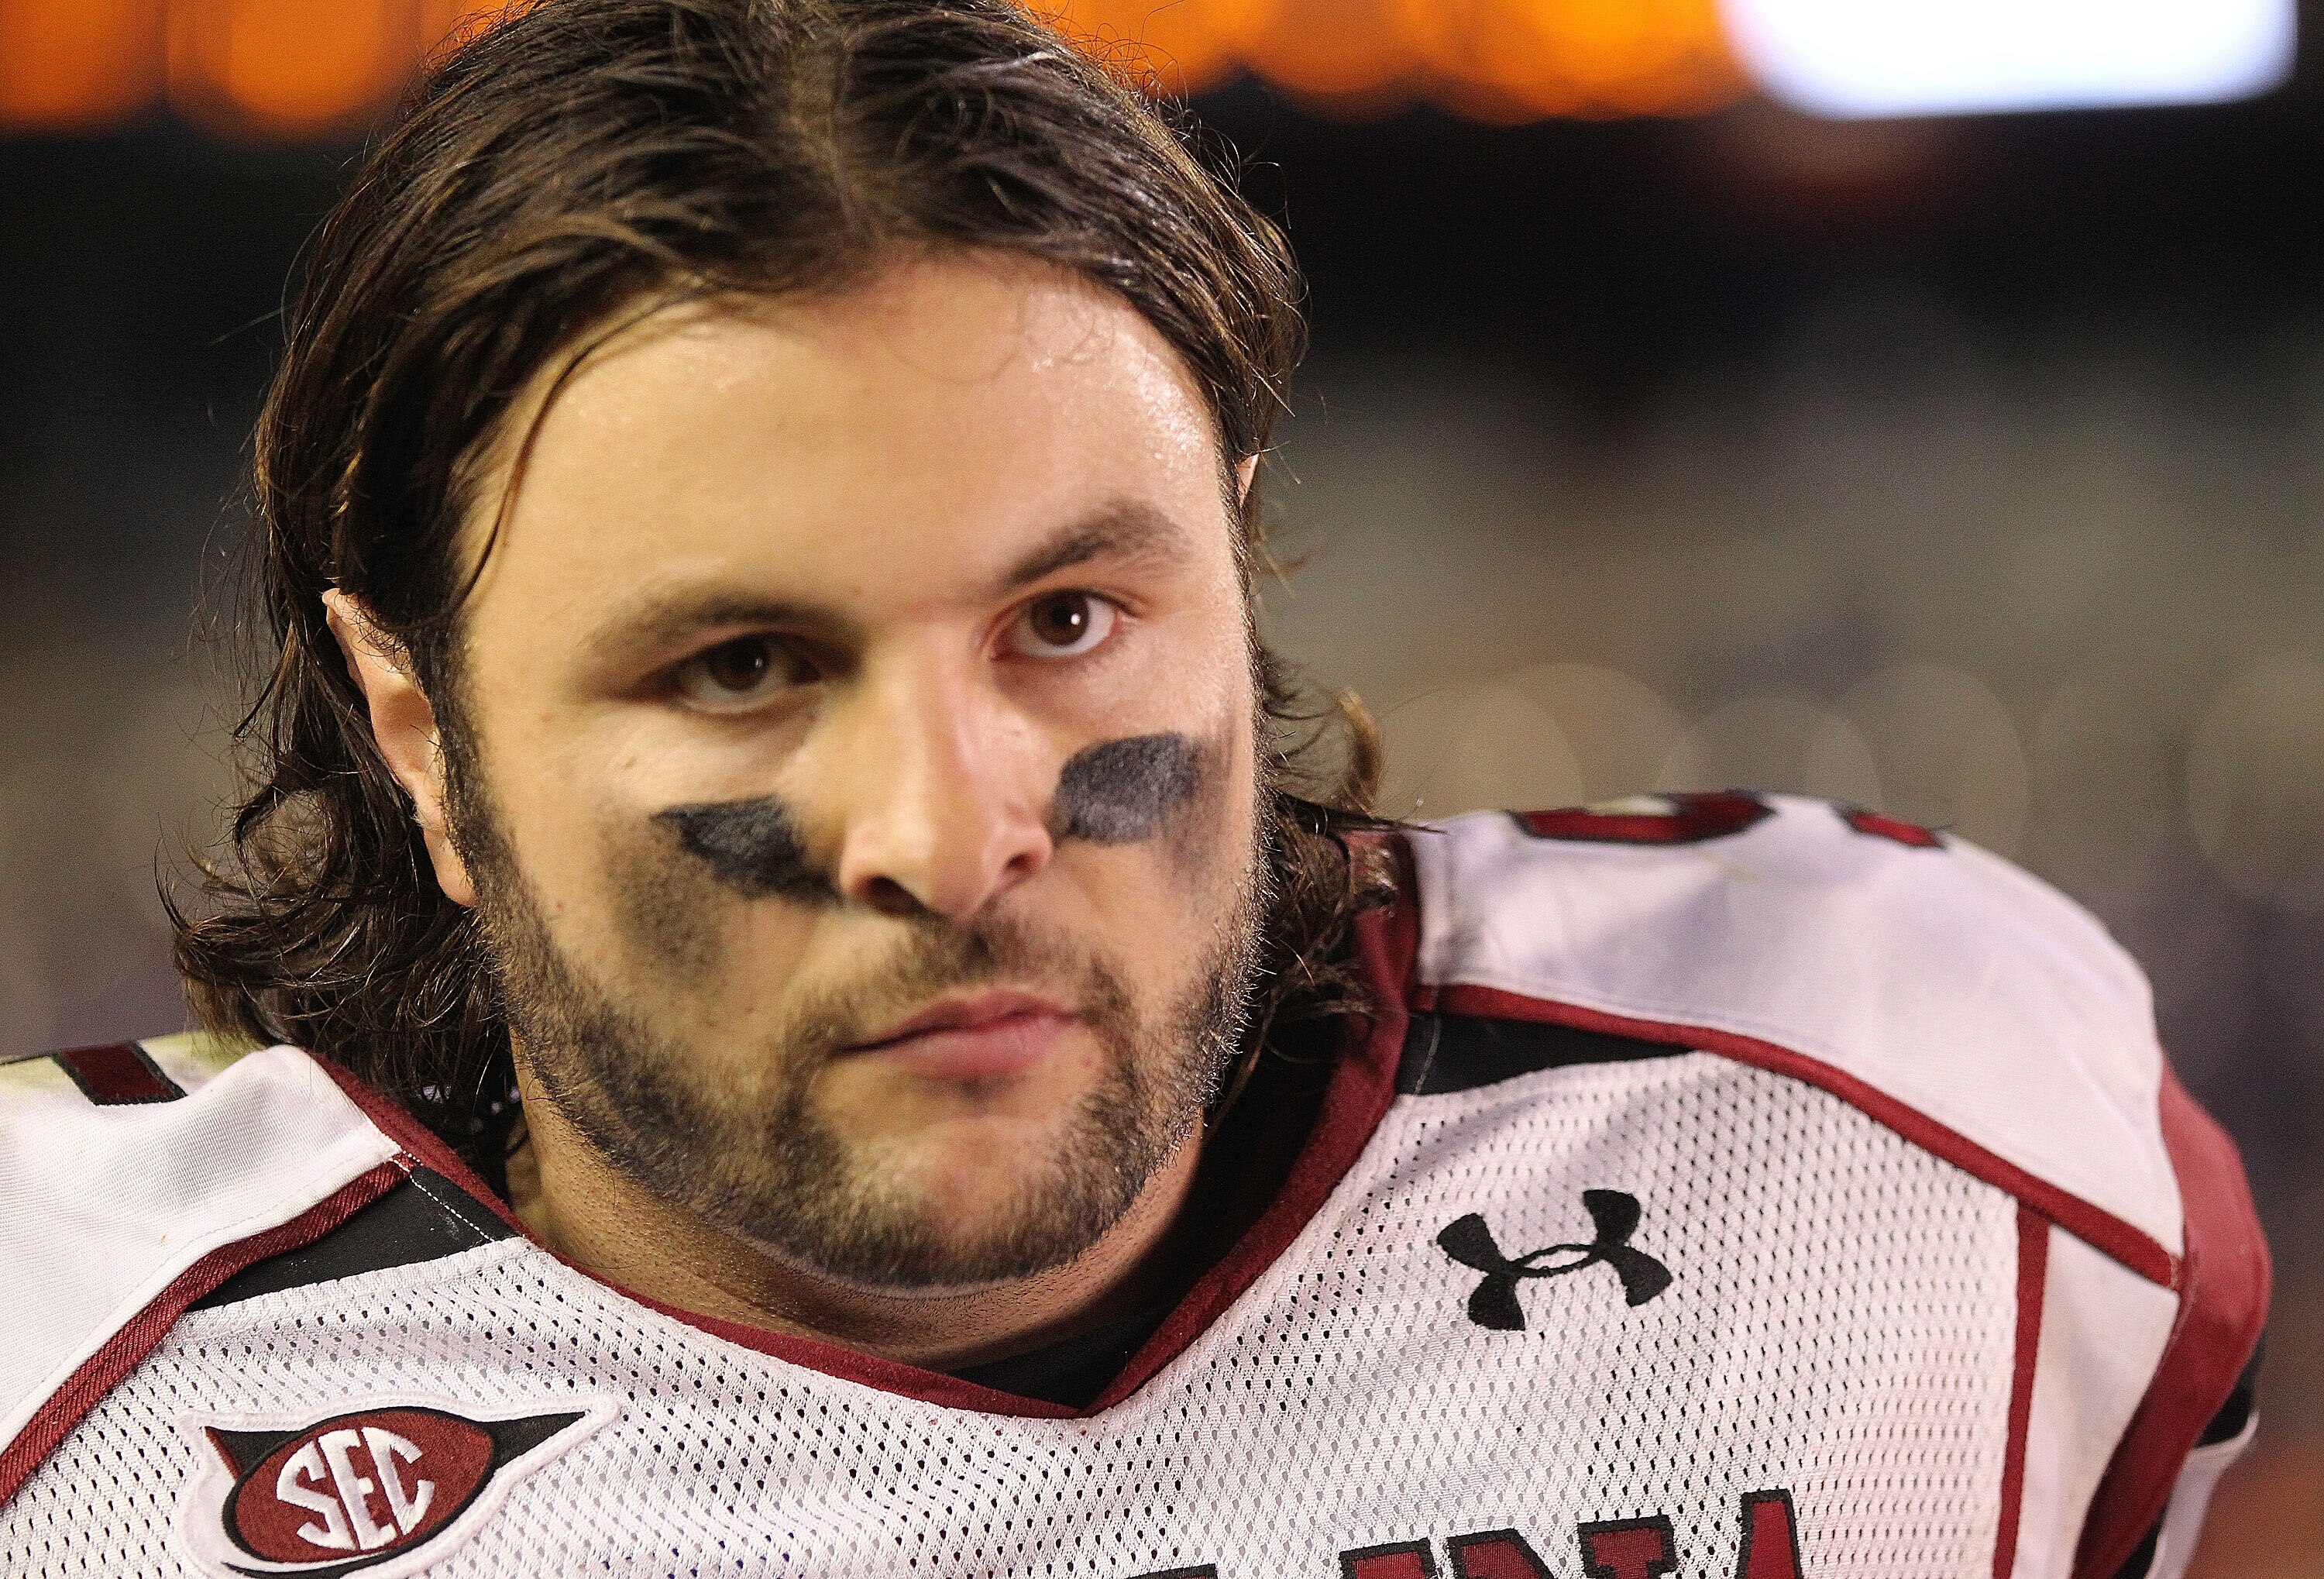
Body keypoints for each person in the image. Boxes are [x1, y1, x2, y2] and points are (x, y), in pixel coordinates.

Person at [0, 0, 2267, 1574]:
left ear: (1242, 565)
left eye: (1067, 622)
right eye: (746, 666)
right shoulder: (61, 1404)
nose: (955, 830)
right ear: (424, 732)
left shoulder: (1904, 1142)